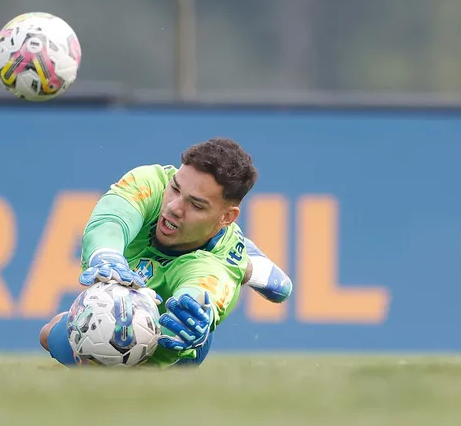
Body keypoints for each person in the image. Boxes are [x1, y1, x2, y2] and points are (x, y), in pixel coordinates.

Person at [39, 137, 292, 368]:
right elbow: (111, 219)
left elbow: (199, 294)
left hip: (169, 335)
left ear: (227, 216)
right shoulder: (150, 181)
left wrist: (192, 318)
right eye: (175, 188)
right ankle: (247, 259)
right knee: (50, 336)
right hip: (125, 296)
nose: (173, 207)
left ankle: (247, 263)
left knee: (178, 347)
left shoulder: (215, 267)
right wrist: (106, 254)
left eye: (195, 204)